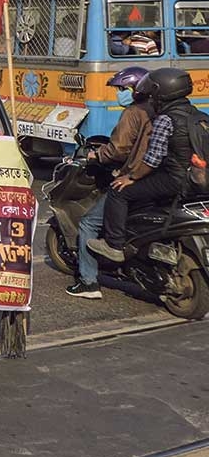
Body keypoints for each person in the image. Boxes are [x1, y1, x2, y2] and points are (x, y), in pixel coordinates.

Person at [90, 68, 196, 263]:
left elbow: (152, 159)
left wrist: (130, 177)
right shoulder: (197, 116)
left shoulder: (166, 119)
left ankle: (114, 245)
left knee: (118, 191)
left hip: (174, 179)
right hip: (196, 178)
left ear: (162, 93)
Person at [67, 67, 153, 298]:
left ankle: (88, 283)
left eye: (122, 89)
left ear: (135, 89)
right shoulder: (157, 110)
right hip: (157, 179)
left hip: (135, 177)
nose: (118, 94)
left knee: (88, 223)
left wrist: (96, 155)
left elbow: (119, 148)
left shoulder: (133, 113)